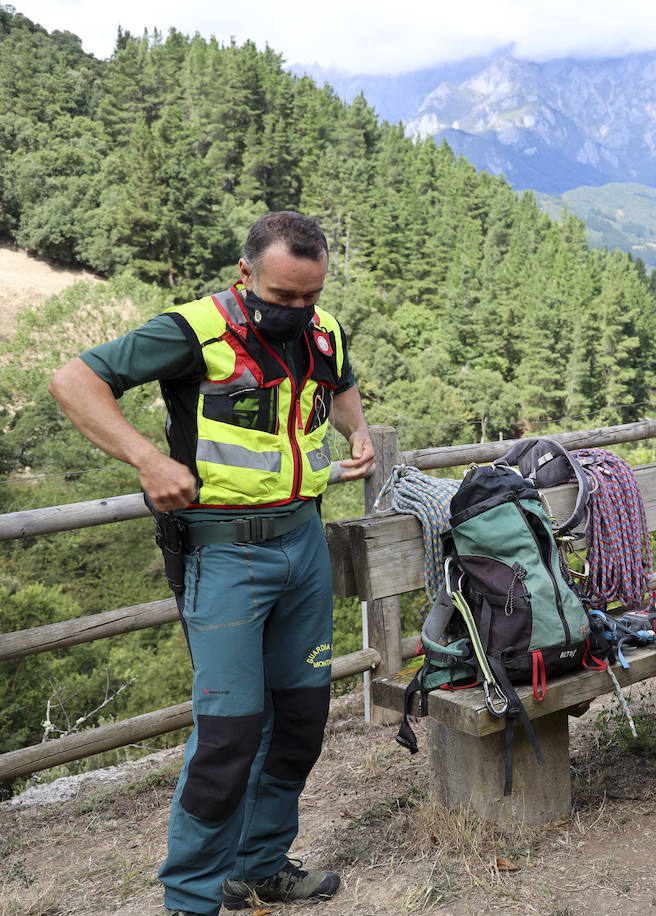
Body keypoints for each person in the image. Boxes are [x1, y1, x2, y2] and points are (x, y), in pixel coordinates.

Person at [49, 211, 375, 916]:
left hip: (305, 544)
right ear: (245, 275)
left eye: (308, 297)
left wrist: (360, 431)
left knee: (300, 718)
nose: (295, 311)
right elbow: (74, 381)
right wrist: (146, 457)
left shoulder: (323, 329)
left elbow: (338, 380)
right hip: (225, 556)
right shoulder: (192, 331)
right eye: (282, 296)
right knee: (228, 735)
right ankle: (190, 899)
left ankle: (257, 869)